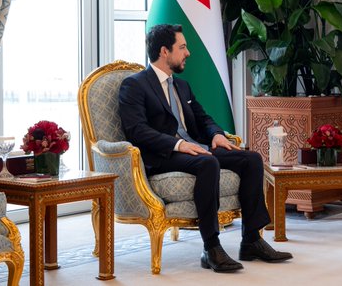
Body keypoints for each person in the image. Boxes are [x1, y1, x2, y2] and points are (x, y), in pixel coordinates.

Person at [119, 24, 292, 273]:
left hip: (194, 147)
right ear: (165, 51)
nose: (188, 53)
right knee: (208, 163)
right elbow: (137, 130)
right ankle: (211, 247)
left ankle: (251, 240)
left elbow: (203, 119)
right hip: (162, 155)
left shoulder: (181, 86)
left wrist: (217, 135)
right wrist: (178, 144)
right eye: (182, 47)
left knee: (251, 159)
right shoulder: (134, 85)